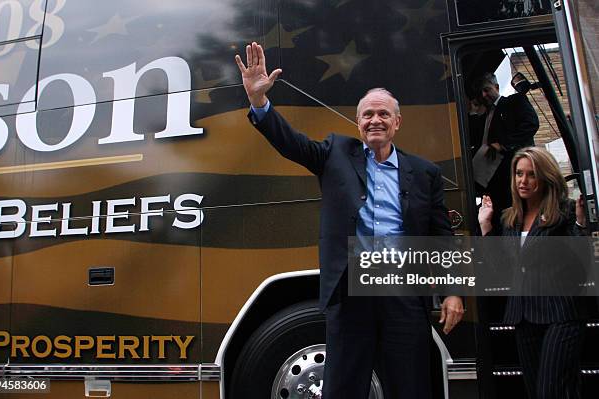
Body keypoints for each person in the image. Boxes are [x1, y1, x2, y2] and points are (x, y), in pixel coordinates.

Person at [235, 42, 464, 399]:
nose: (375, 120)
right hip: (350, 288)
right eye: (368, 114)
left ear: (397, 122)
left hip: (403, 288)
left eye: (383, 114)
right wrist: (259, 102)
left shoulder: (424, 172)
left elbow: (441, 234)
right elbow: (292, 144)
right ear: (358, 123)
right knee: (344, 386)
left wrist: (452, 290)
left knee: (411, 383)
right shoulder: (335, 153)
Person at [478, 146, 588, 399]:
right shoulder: (510, 219)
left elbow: (581, 265)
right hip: (524, 316)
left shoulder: (565, 213)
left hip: (560, 315)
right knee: (535, 389)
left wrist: (581, 224)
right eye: (518, 174)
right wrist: (485, 227)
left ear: (545, 177)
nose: (523, 181)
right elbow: (502, 271)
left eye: (531, 175)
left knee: (552, 390)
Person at [474, 72, 540, 227]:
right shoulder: (484, 116)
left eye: (486, 89)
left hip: (513, 174)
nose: (484, 95)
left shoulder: (514, 102)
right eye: (480, 92)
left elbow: (531, 124)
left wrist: (503, 144)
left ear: (496, 87)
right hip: (490, 179)